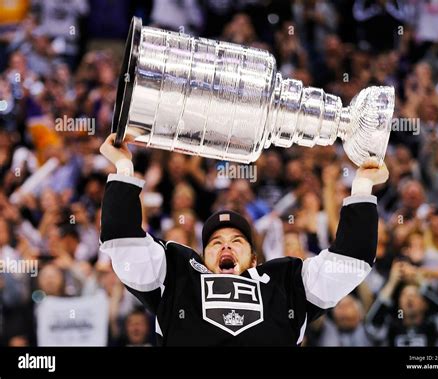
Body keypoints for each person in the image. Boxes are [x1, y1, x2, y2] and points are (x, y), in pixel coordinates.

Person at [98, 133, 389, 346]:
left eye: (237, 240)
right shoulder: (176, 278)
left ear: (254, 259)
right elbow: (122, 240)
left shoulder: (285, 282)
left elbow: (352, 260)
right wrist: (124, 168)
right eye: (215, 242)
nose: (225, 244)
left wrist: (363, 186)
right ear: (202, 259)